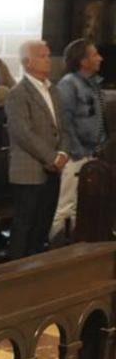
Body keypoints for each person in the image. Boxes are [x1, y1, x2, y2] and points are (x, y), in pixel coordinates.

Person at [6, 40, 68, 259]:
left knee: (43, 223)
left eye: (48, 55)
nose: (48, 59)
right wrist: (51, 157)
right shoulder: (18, 93)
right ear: (27, 62)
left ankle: (35, 269)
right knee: (25, 225)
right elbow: (23, 133)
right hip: (29, 170)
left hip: (54, 169)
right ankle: (14, 273)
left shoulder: (54, 90)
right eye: (42, 56)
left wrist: (63, 153)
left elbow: (62, 127)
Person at [52, 39, 107, 242]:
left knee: (81, 206)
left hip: (91, 153)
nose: (100, 58)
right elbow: (64, 121)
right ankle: (56, 248)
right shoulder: (69, 84)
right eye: (94, 55)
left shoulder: (92, 84)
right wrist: (76, 152)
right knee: (66, 205)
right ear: (83, 61)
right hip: (76, 155)